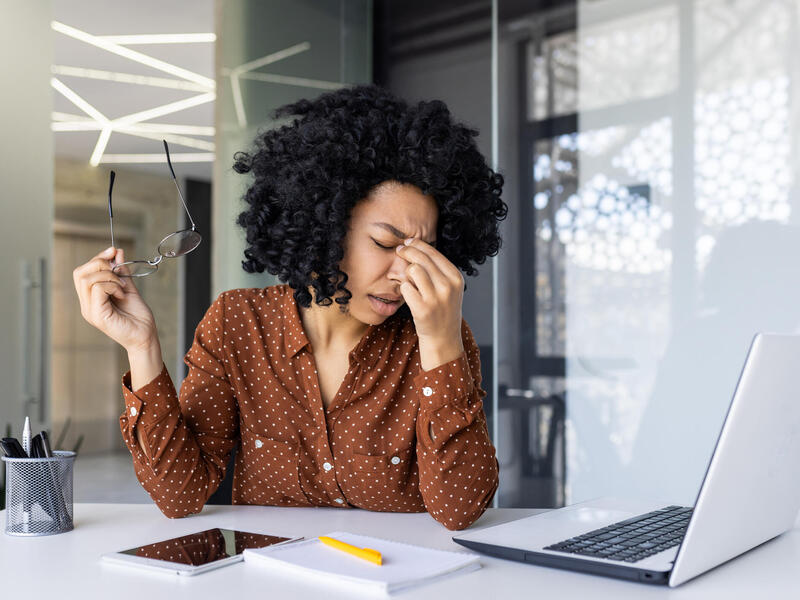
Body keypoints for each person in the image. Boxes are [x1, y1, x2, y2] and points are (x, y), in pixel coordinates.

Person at [73, 85, 507, 530]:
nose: (406, 273)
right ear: (325, 226)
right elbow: (179, 496)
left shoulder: (439, 342)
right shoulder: (238, 325)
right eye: (385, 243)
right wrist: (141, 346)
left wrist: (440, 341)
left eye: (425, 252)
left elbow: (461, 510)